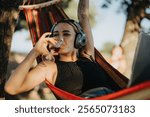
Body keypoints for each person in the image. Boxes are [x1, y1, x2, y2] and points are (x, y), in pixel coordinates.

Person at [5, 0, 122, 98]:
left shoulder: (87, 55)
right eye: (55, 34)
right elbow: (11, 88)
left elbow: (83, 15)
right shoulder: (49, 67)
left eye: (66, 34)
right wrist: (35, 51)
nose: (60, 38)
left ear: (79, 39)